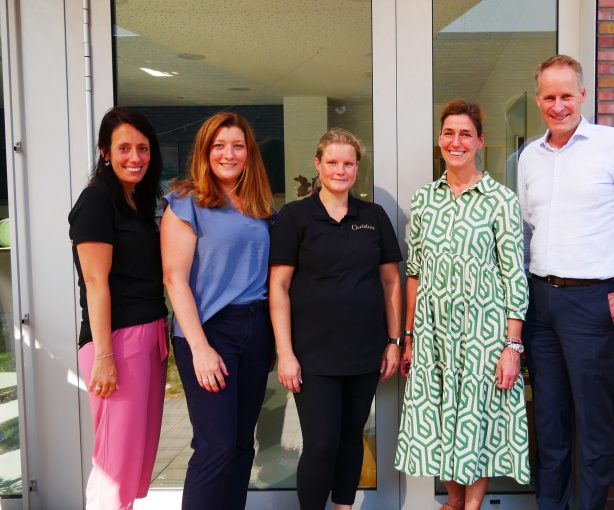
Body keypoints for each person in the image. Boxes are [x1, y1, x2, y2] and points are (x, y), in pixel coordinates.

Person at [517, 54, 614, 510]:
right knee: (550, 420)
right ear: (538, 99)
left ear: (582, 95)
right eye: (549, 97)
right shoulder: (528, 158)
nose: (557, 105)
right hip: (540, 303)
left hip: (594, 303)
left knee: (593, 422)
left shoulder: (612, 144)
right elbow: (527, 229)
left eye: (566, 95)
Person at [395, 100, 530, 510]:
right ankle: (452, 502)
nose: (456, 142)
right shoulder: (424, 201)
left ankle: (471, 506)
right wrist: (410, 336)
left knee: (477, 420)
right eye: (449, 133)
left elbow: (514, 276)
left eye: (465, 134)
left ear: (480, 142)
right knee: (440, 419)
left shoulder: (500, 201)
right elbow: (414, 273)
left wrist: (513, 346)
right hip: (434, 333)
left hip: (483, 334)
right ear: (440, 140)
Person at [269, 128, 403, 510]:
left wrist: (394, 341)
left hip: (364, 351)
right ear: (317, 164)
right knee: (321, 442)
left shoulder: (372, 216)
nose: (340, 170)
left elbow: (391, 280)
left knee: (350, 437)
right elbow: (278, 287)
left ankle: (344, 506)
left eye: (348, 163)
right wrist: (285, 352)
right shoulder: (295, 217)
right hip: (312, 355)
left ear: (357, 168)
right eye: (332, 162)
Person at [160, 112, 274, 509]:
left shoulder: (259, 205)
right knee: (216, 446)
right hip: (209, 331)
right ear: (205, 152)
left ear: (249, 153)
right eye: (219, 145)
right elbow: (175, 280)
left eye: (237, 146)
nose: (229, 154)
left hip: (256, 328)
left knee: (243, 444)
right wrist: (200, 348)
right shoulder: (185, 203)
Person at [69, 107, 168, 510]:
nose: (135, 157)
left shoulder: (138, 203)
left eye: (142, 148)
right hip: (117, 343)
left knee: (135, 463)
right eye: (124, 148)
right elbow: (95, 283)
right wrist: (105, 355)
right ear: (105, 152)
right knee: (114, 464)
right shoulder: (97, 201)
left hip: (149, 337)